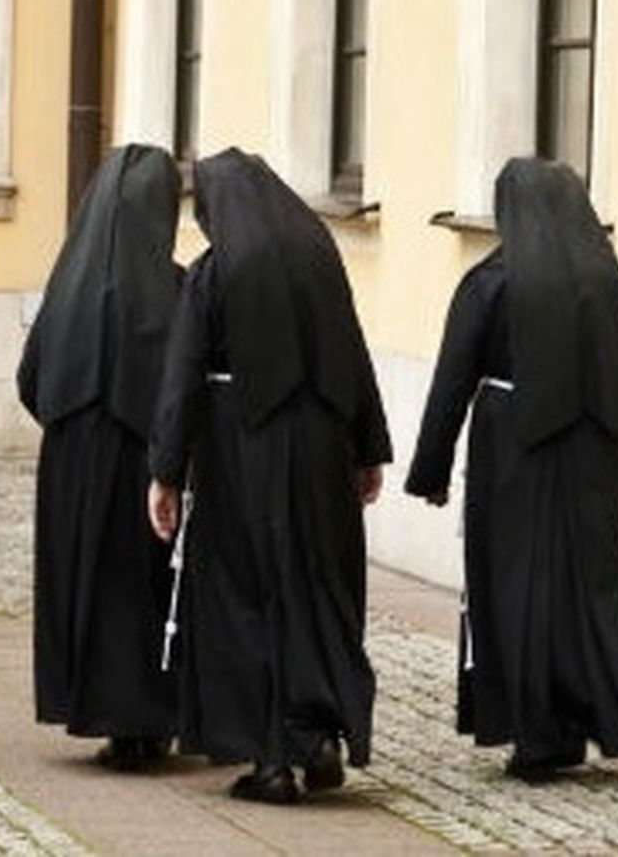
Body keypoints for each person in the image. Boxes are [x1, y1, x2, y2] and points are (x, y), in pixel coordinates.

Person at [403, 157, 618, 782]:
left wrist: (432, 468)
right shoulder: (609, 282)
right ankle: (597, 720)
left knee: (519, 592)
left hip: (513, 455)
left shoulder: (491, 283)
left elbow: (453, 378)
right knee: (590, 592)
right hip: (593, 458)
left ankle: (538, 733)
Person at [147, 148, 390, 805]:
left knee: (245, 597)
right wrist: (369, 450)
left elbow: (183, 375)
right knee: (316, 591)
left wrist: (165, 472)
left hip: (240, 451)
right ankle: (318, 738)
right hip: (322, 453)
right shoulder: (320, 261)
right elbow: (355, 355)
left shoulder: (218, 270)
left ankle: (270, 758)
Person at [16, 144, 183, 770]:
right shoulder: (174, 288)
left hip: (72, 461)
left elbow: (31, 379)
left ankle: (100, 710)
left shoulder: (67, 287)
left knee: (86, 584)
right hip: (142, 463)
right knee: (139, 590)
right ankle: (146, 717)